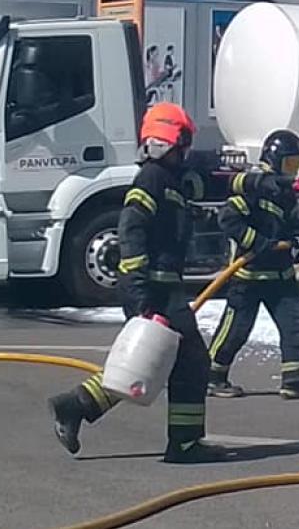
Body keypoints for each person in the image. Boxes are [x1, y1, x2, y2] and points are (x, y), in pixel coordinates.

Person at [47, 102, 225, 464]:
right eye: (184, 143)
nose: (186, 151)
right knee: (191, 362)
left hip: (163, 287)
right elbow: (131, 230)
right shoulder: (152, 179)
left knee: (150, 364)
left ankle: (75, 405)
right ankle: (185, 444)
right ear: (171, 139)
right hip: (156, 290)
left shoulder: (169, 180)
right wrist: (139, 292)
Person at [207, 129, 299, 401]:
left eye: (298, 164)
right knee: (236, 329)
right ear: (274, 160)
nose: (294, 171)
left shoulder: (285, 192)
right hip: (248, 275)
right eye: (290, 163)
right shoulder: (255, 186)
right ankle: (212, 377)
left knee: (297, 324)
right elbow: (228, 219)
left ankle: (296, 381)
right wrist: (258, 242)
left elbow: (287, 224)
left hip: (280, 275)